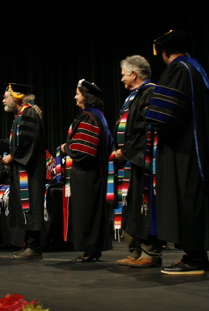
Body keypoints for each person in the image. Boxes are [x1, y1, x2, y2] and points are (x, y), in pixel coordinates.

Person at [147, 30, 209, 274]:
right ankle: (195, 256)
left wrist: (152, 123)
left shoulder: (179, 69)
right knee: (192, 199)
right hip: (197, 143)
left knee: (187, 199)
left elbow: (166, 114)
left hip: (183, 147)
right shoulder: (196, 67)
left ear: (165, 52)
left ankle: (196, 260)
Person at [111, 56, 161, 268]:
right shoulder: (133, 96)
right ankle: (135, 251)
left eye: (123, 74)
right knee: (131, 206)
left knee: (144, 206)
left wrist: (126, 152)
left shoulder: (149, 93)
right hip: (132, 162)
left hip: (144, 161)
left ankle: (150, 253)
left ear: (134, 74)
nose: (121, 78)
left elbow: (145, 130)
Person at [0, 83, 46, 260]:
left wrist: (13, 157)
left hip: (31, 171)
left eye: (7, 95)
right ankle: (29, 245)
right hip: (24, 170)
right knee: (26, 207)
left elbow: (29, 142)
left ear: (17, 97)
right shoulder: (20, 116)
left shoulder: (29, 113)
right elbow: (16, 143)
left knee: (32, 206)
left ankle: (35, 248)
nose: (3, 99)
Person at [60, 79, 113, 261]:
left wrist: (66, 148)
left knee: (88, 211)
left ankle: (90, 250)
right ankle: (91, 250)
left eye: (78, 93)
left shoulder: (89, 116)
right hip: (90, 174)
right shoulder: (98, 115)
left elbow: (84, 151)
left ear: (86, 97)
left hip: (87, 176)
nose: (75, 97)